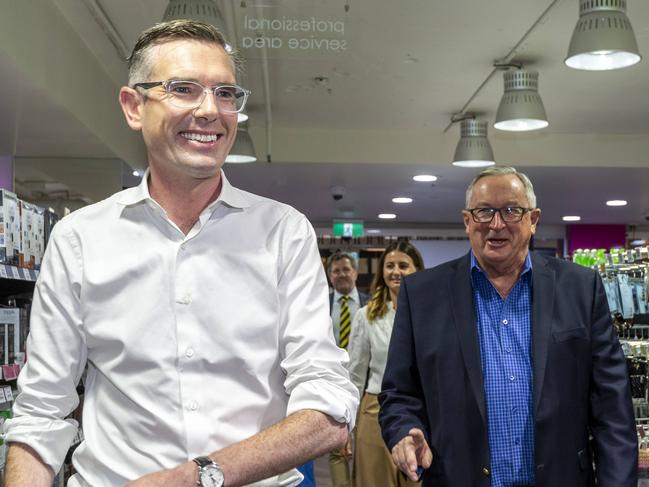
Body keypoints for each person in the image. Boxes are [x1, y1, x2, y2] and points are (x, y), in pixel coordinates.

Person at [2, 20, 358, 487]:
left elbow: (329, 400)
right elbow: (41, 412)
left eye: (226, 93)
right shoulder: (79, 239)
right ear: (133, 106)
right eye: (184, 89)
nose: (211, 110)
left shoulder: (282, 232)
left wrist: (198, 476)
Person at [379, 166, 637, 487]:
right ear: (467, 220)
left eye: (512, 211)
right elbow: (398, 393)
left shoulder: (581, 288)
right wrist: (404, 430)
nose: (496, 224)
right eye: (484, 211)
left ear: (533, 220)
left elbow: (613, 411)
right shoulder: (422, 294)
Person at [347, 241, 424, 487]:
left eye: (403, 265)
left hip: (419, 413)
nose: (396, 271)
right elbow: (355, 375)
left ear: (417, 270)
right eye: (390, 266)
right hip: (374, 412)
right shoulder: (366, 315)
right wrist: (346, 424)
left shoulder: (431, 315)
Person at [325, 252, 370, 487]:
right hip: (331, 382)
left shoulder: (371, 305)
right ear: (329, 276)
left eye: (346, 269)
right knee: (336, 443)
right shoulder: (319, 306)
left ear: (355, 272)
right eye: (336, 271)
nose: (342, 274)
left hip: (363, 384)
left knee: (364, 442)